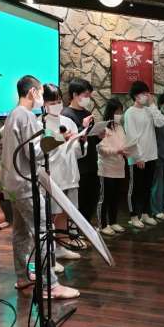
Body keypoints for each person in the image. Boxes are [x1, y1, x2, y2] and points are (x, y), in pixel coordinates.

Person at [0, 75, 79, 299]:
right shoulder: (25, 115)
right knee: (43, 231)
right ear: (32, 92)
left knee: (21, 233)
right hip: (26, 184)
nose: (42, 99)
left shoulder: (12, 115)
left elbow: (0, 149)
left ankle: (23, 277)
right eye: (41, 94)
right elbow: (34, 152)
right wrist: (59, 139)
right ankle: (50, 285)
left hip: (13, 182)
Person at [43, 84, 85, 259]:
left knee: (65, 212)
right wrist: (61, 138)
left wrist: (81, 140)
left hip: (70, 172)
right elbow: (42, 150)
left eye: (59, 101)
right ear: (44, 103)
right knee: (52, 214)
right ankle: (50, 250)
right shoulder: (40, 123)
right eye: (52, 102)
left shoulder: (68, 122)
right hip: (53, 174)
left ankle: (61, 246)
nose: (56, 105)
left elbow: (78, 152)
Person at [124, 80, 164, 229]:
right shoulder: (130, 112)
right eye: (143, 93)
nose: (146, 96)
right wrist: (138, 157)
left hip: (151, 155)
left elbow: (161, 122)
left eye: (147, 93)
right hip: (137, 158)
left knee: (148, 186)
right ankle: (134, 216)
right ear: (136, 96)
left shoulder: (149, 110)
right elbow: (131, 136)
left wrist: (153, 106)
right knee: (136, 187)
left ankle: (146, 214)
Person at [62, 78, 99, 223]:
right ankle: (76, 229)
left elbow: (91, 140)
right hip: (78, 167)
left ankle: (86, 228)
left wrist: (99, 135)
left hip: (91, 164)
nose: (88, 98)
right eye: (85, 95)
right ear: (75, 94)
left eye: (89, 95)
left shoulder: (87, 113)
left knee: (91, 200)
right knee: (79, 202)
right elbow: (67, 141)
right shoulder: (66, 115)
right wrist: (82, 127)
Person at [97, 98, 127, 236]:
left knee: (116, 196)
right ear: (111, 112)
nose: (119, 114)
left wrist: (127, 150)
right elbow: (101, 149)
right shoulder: (103, 128)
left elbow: (124, 143)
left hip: (119, 166)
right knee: (105, 197)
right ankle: (102, 224)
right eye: (117, 112)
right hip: (106, 168)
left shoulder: (120, 127)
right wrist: (116, 151)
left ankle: (113, 221)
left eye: (121, 111)